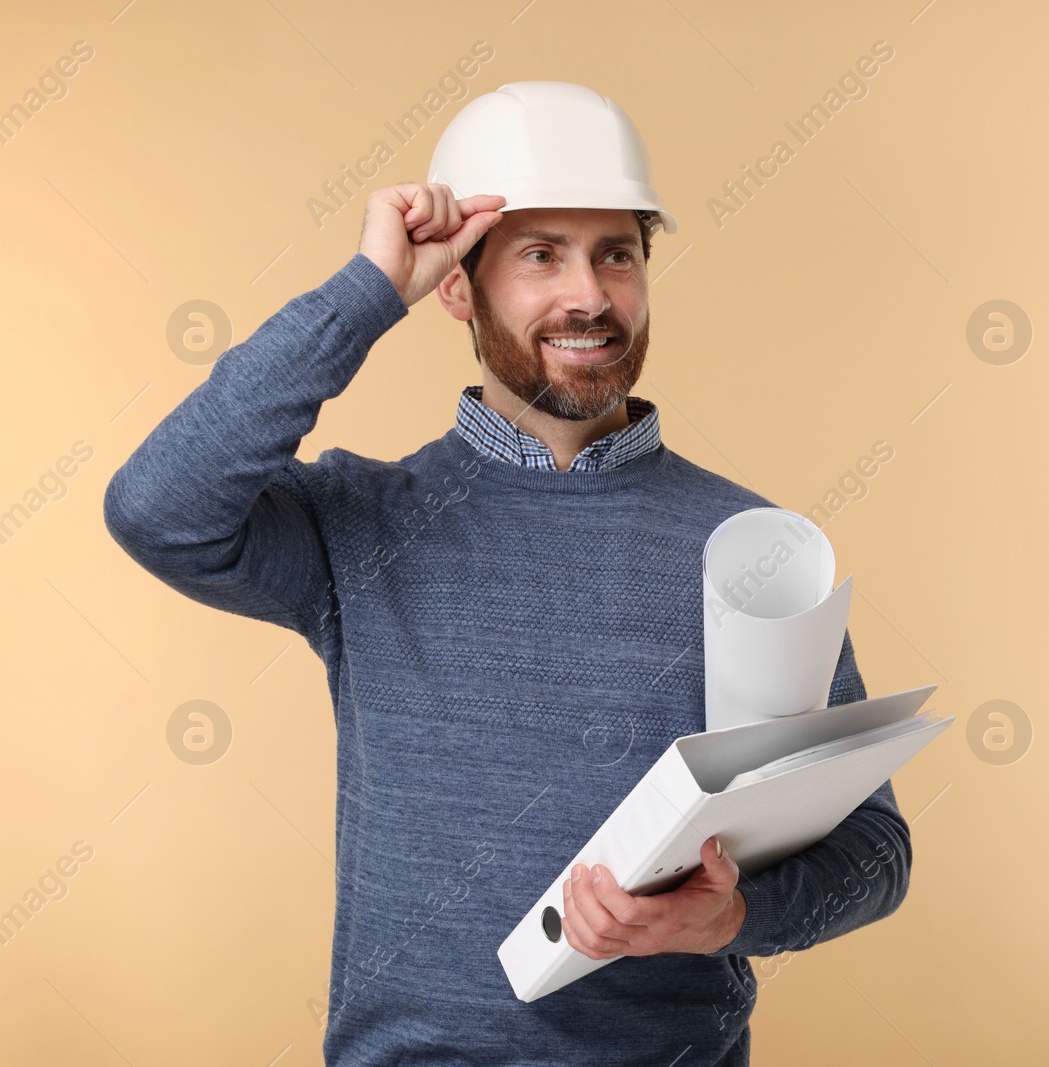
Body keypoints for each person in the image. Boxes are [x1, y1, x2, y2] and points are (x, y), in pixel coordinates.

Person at [102, 81, 912, 1065]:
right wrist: (365, 291)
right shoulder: (357, 523)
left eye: (616, 252)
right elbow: (156, 507)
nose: (590, 295)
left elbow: (874, 852)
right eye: (540, 255)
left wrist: (731, 914)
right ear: (456, 286)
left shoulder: (755, 544)